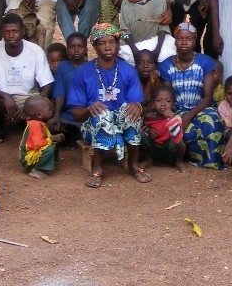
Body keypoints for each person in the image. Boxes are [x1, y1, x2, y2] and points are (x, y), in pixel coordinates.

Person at [67, 23, 150, 187]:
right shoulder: (82, 72)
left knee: (131, 113)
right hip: (91, 126)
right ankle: (98, 167)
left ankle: (134, 165)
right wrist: (88, 109)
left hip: (121, 124)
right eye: (102, 43)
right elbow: (75, 113)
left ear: (118, 45)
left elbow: (137, 103)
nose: (108, 47)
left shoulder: (128, 70)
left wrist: (137, 106)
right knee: (101, 114)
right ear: (95, 47)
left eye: (112, 42)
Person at [159, 23, 224, 169]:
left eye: (188, 39)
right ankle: (192, 158)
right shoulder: (166, 65)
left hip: (201, 106)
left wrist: (190, 115)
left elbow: (208, 97)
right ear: (175, 41)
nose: (184, 42)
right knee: (186, 131)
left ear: (194, 41)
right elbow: (168, 97)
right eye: (180, 38)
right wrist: (177, 115)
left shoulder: (205, 62)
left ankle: (212, 161)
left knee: (212, 121)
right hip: (177, 108)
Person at [0, 13, 54, 142]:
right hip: (4, 98)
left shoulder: (35, 51)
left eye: (15, 31)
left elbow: (47, 84)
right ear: (1, 33)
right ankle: (0, 125)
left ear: (23, 31)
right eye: (7, 32)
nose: (11, 35)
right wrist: (5, 96)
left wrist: (30, 106)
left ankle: (32, 127)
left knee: (46, 106)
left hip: (29, 97)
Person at [49, 33, 88, 140]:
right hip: (67, 114)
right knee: (53, 125)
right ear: (67, 51)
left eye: (80, 46)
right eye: (72, 47)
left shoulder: (92, 68)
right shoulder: (63, 67)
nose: (76, 50)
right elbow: (60, 93)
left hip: (86, 113)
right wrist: (56, 115)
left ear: (86, 50)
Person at [140, 85, 187, 171]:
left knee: (179, 141)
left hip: (169, 150)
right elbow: (143, 128)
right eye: (158, 100)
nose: (163, 104)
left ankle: (179, 162)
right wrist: (149, 131)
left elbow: (178, 134)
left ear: (173, 103)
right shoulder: (149, 116)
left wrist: (171, 118)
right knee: (140, 135)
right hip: (154, 149)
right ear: (153, 103)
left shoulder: (176, 117)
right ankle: (148, 159)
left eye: (168, 101)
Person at [19, 96, 64, 179]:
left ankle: (47, 164)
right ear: (39, 114)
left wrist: (54, 139)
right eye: (49, 109)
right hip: (28, 159)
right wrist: (53, 138)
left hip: (32, 155)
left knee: (53, 144)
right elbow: (38, 144)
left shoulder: (38, 123)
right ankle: (34, 169)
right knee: (49, 149)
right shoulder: (35, 125)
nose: (51, 111)